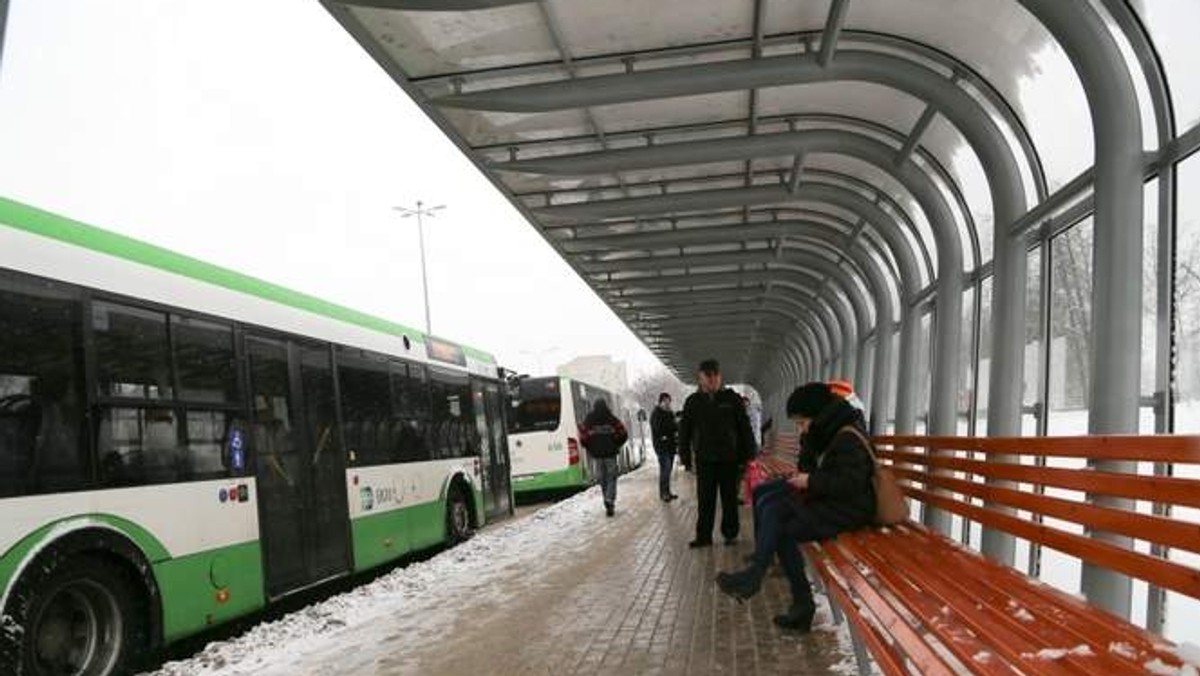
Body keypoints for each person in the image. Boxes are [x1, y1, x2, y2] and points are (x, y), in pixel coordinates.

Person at [716, 381, 876, 632]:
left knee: (778, 517)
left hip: (852, 509)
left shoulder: (847, 436)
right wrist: (808, 443)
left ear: (818, 414)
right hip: (830, 499)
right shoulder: (825, 429)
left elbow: (850, 484)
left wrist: (810, 480)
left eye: (802, 422)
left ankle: (769, 583)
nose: (801, 428)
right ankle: (784, 593)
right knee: (769, 502)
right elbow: (809, 468)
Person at [678, 359, 756, 547]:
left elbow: (744, 428)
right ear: (701, 378)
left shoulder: (732, 399)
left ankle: (730, 533)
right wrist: (686, 457)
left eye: (715, 376)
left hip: (730, 458)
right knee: (705, 500)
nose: (712, 380)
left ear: (720, 377)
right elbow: (684, 432)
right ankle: (704, 536)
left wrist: (748, 454)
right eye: (708, 376)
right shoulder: (693, 402)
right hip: (704, 459)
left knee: (729, 498)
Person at [578, 398, 628, 517]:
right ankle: (610, 499)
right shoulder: (612, 419)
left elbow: (583, 437)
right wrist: (616, 444)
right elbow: (623, 433)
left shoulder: (589, 420)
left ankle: (606, 498)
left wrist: (590, 447)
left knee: (602, 479)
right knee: (612, 477)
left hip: (597, 455)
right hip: (610, 454)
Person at [650, 392, 679, 502]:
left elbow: (675, 427)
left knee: (669, 469)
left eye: (669, 401)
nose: (668, 404)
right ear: (661, 401)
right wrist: (671, 428)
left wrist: (673, 427)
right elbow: (659, 429)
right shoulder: (656, 414)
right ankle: (663, 493)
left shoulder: (670, 413)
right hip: (661, 447)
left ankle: (667, 491)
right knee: (665, 470)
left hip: (670, 446)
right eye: (666, 401)